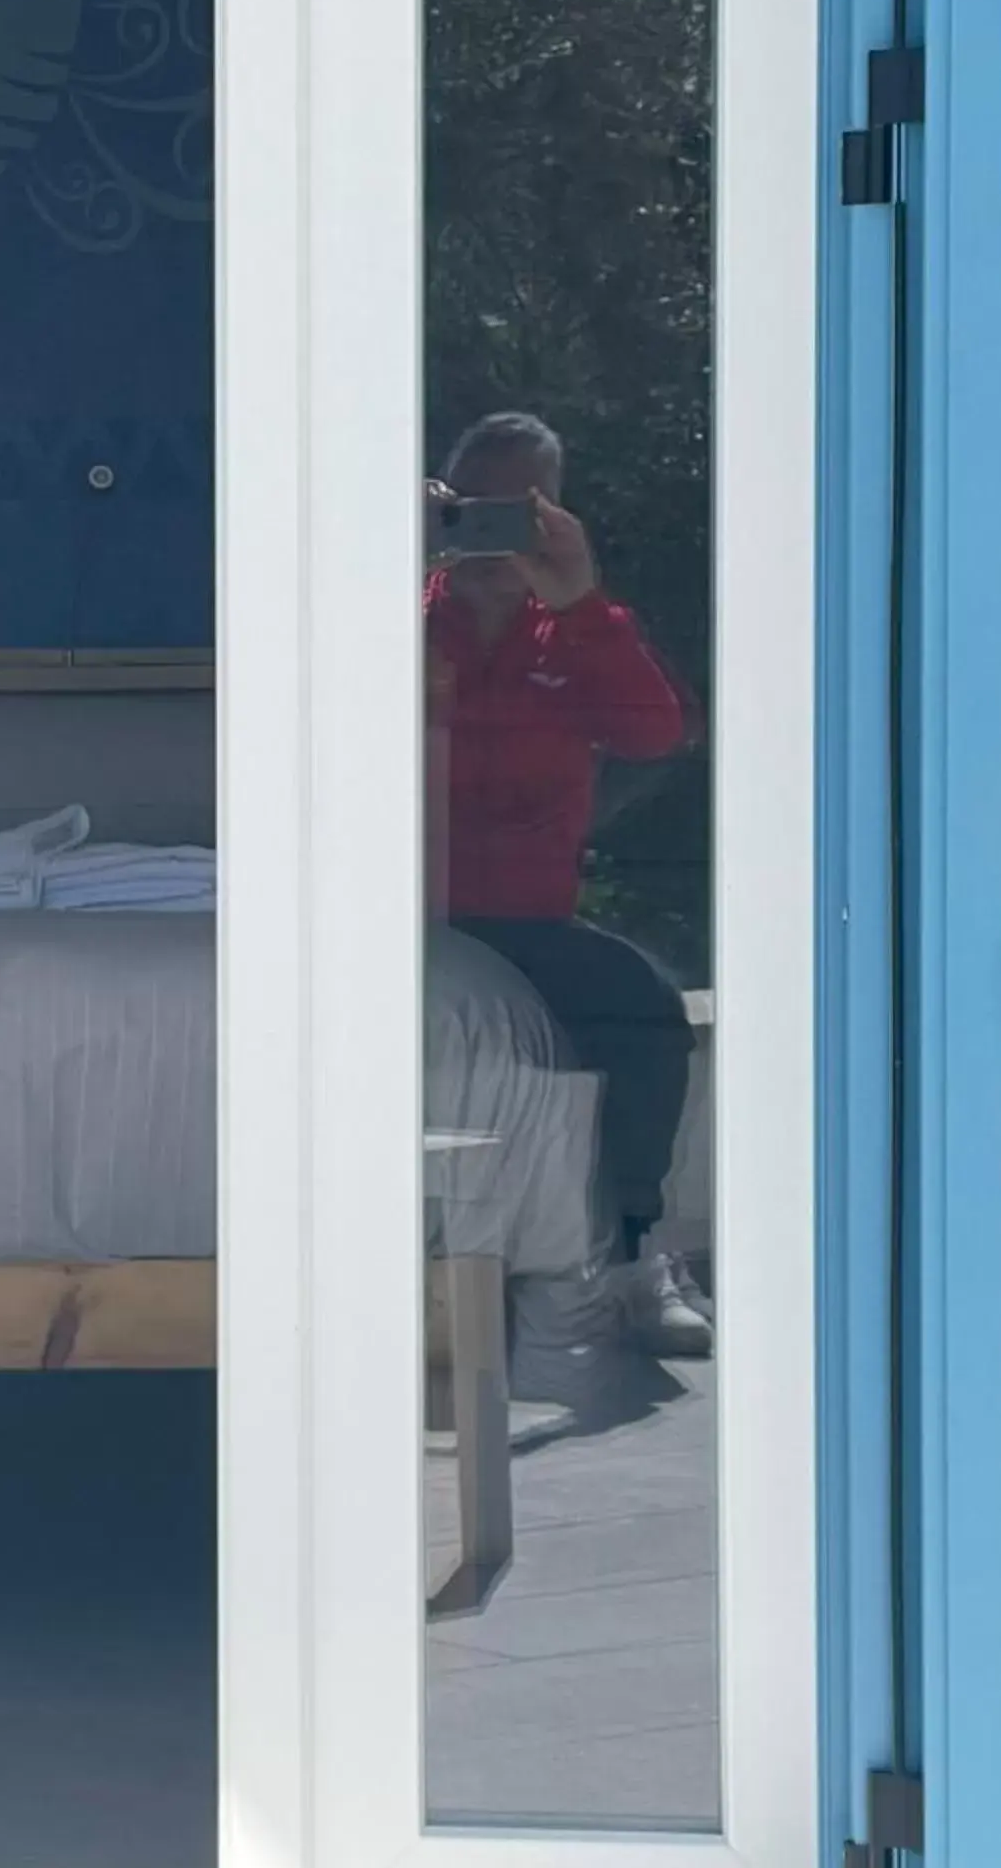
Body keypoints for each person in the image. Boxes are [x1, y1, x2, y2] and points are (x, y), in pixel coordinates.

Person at [426, 410, 710, 1355]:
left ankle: (633, 1259)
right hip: (393, 917)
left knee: (647, 1016)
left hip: (527, 928)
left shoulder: (574, 634)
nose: (496, 536)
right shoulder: (393, 619)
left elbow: (657, 735)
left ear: (557, 514)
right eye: (476, 510)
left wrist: (581, 602)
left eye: (521, 510)